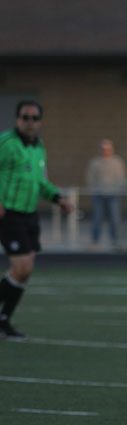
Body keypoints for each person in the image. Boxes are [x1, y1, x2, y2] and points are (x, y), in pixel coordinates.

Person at [0, 100, 74, 340]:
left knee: (25, 271)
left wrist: (58, 197)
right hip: (8, 212)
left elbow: (40, 181)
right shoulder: (6, 143)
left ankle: (4, 320)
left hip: (29, 214)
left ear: (40, 122)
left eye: (34, 118)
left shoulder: (39, 147)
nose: (29, 122)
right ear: (17, 119)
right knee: (21, 266)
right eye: (25, 117)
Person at [85, 138, 126, 247]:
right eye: (104, 149)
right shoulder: (95, 162)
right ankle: (95, 241)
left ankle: (115, 241)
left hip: (113, 195)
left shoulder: (117, 162)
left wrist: (118, 189)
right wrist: (93, 190)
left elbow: (121, 177)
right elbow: (90, 178)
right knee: (97, 219)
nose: (106, 151)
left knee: (114, 219)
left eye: (108, 149)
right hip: (99, 195)